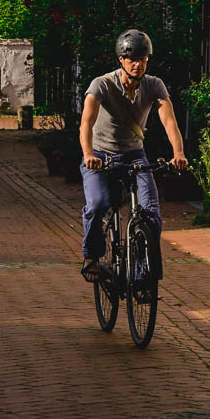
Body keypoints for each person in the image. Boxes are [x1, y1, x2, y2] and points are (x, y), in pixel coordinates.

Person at [78, 28, 188, 281]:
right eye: (132, 60)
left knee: (150, 212)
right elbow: (86, 123)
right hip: (100, 155)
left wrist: (178, 153)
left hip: (134, 155)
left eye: (143, 59)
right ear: (121, 60)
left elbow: (169, 121)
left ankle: (141, 273)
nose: (138, 65)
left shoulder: (154, 85)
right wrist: (87, 154)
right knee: (98, 205)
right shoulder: (102, 84)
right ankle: (92, 256)